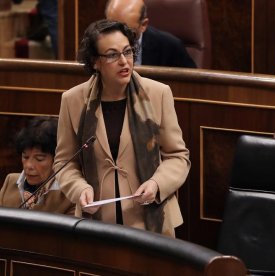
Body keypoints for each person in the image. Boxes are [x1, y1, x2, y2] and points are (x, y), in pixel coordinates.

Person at [53, 19, 190, 237]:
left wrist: (156, 183)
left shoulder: (158, 94)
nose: (124, 62)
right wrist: (80, 189)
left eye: (128, 52)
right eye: (112, 55)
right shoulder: (72, 100)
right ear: (95, 61)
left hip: (151, 218)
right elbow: (64, 162)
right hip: (96, 222)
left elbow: (177, 156)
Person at [0, 117, 75, 214]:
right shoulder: (10, 181)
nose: (29, 166)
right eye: (25, 157)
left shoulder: (69, 194)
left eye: (39, 159)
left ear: (57, 159)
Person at [105, 0, 197, 68]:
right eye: (113, 28)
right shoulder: (97, 42)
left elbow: (193, 87)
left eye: (127, 31)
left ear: (143, 25)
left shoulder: (170, 48)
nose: (119, 36)